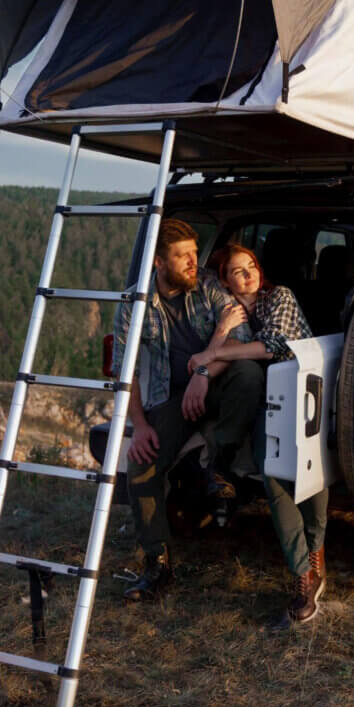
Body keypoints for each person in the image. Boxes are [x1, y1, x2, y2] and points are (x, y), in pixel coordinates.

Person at [116, 218, 260, 601]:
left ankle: (218, 460)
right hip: (173, 398)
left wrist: (201, 370)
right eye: (183, 257)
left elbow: (241, 340)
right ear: (158, 263)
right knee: (141, 464)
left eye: (196, 254)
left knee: (247, 374)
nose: (194, 263)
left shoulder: (209, 287)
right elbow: (124, 369)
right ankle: (157, 565)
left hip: (217, 383)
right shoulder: (135, 304)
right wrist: (141, 425)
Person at [195, 242, 332, 629]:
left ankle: (318, 549)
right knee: (275, 480)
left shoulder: (279, 297)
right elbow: (205, 351)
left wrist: (214, 356)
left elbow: (273, 347)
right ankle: (303, 574)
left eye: (251, 265)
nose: (248, 274)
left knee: (313, 478)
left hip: (301, 397)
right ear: (225, 281)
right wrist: (218, 342)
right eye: (237, 271)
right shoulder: (228, 311)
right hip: (262, 408)